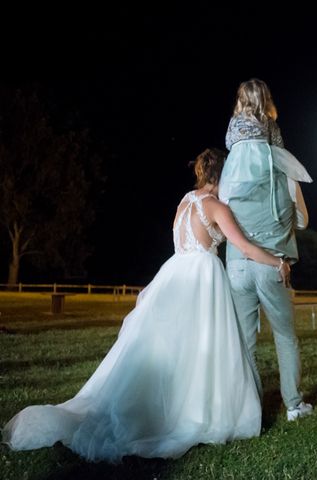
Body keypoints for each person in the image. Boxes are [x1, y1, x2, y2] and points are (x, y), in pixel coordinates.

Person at [2, 148, 291, 463]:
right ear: (223, 175)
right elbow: (246, 248)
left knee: (172, 346)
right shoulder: (216, 207)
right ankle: (195, 409)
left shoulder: (184, 202)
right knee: (201, 346)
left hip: (175, 272)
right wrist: (278, 262)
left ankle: (173, 401)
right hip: (202, 278)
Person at [219, 78, 313, 421]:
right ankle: (293, 404)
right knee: (285, 337)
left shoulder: (230, 176)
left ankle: (249, 408)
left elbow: (222, 219)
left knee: (245, 342)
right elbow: (302, 220)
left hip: (237, 265)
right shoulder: (284, 169)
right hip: (274, 264)